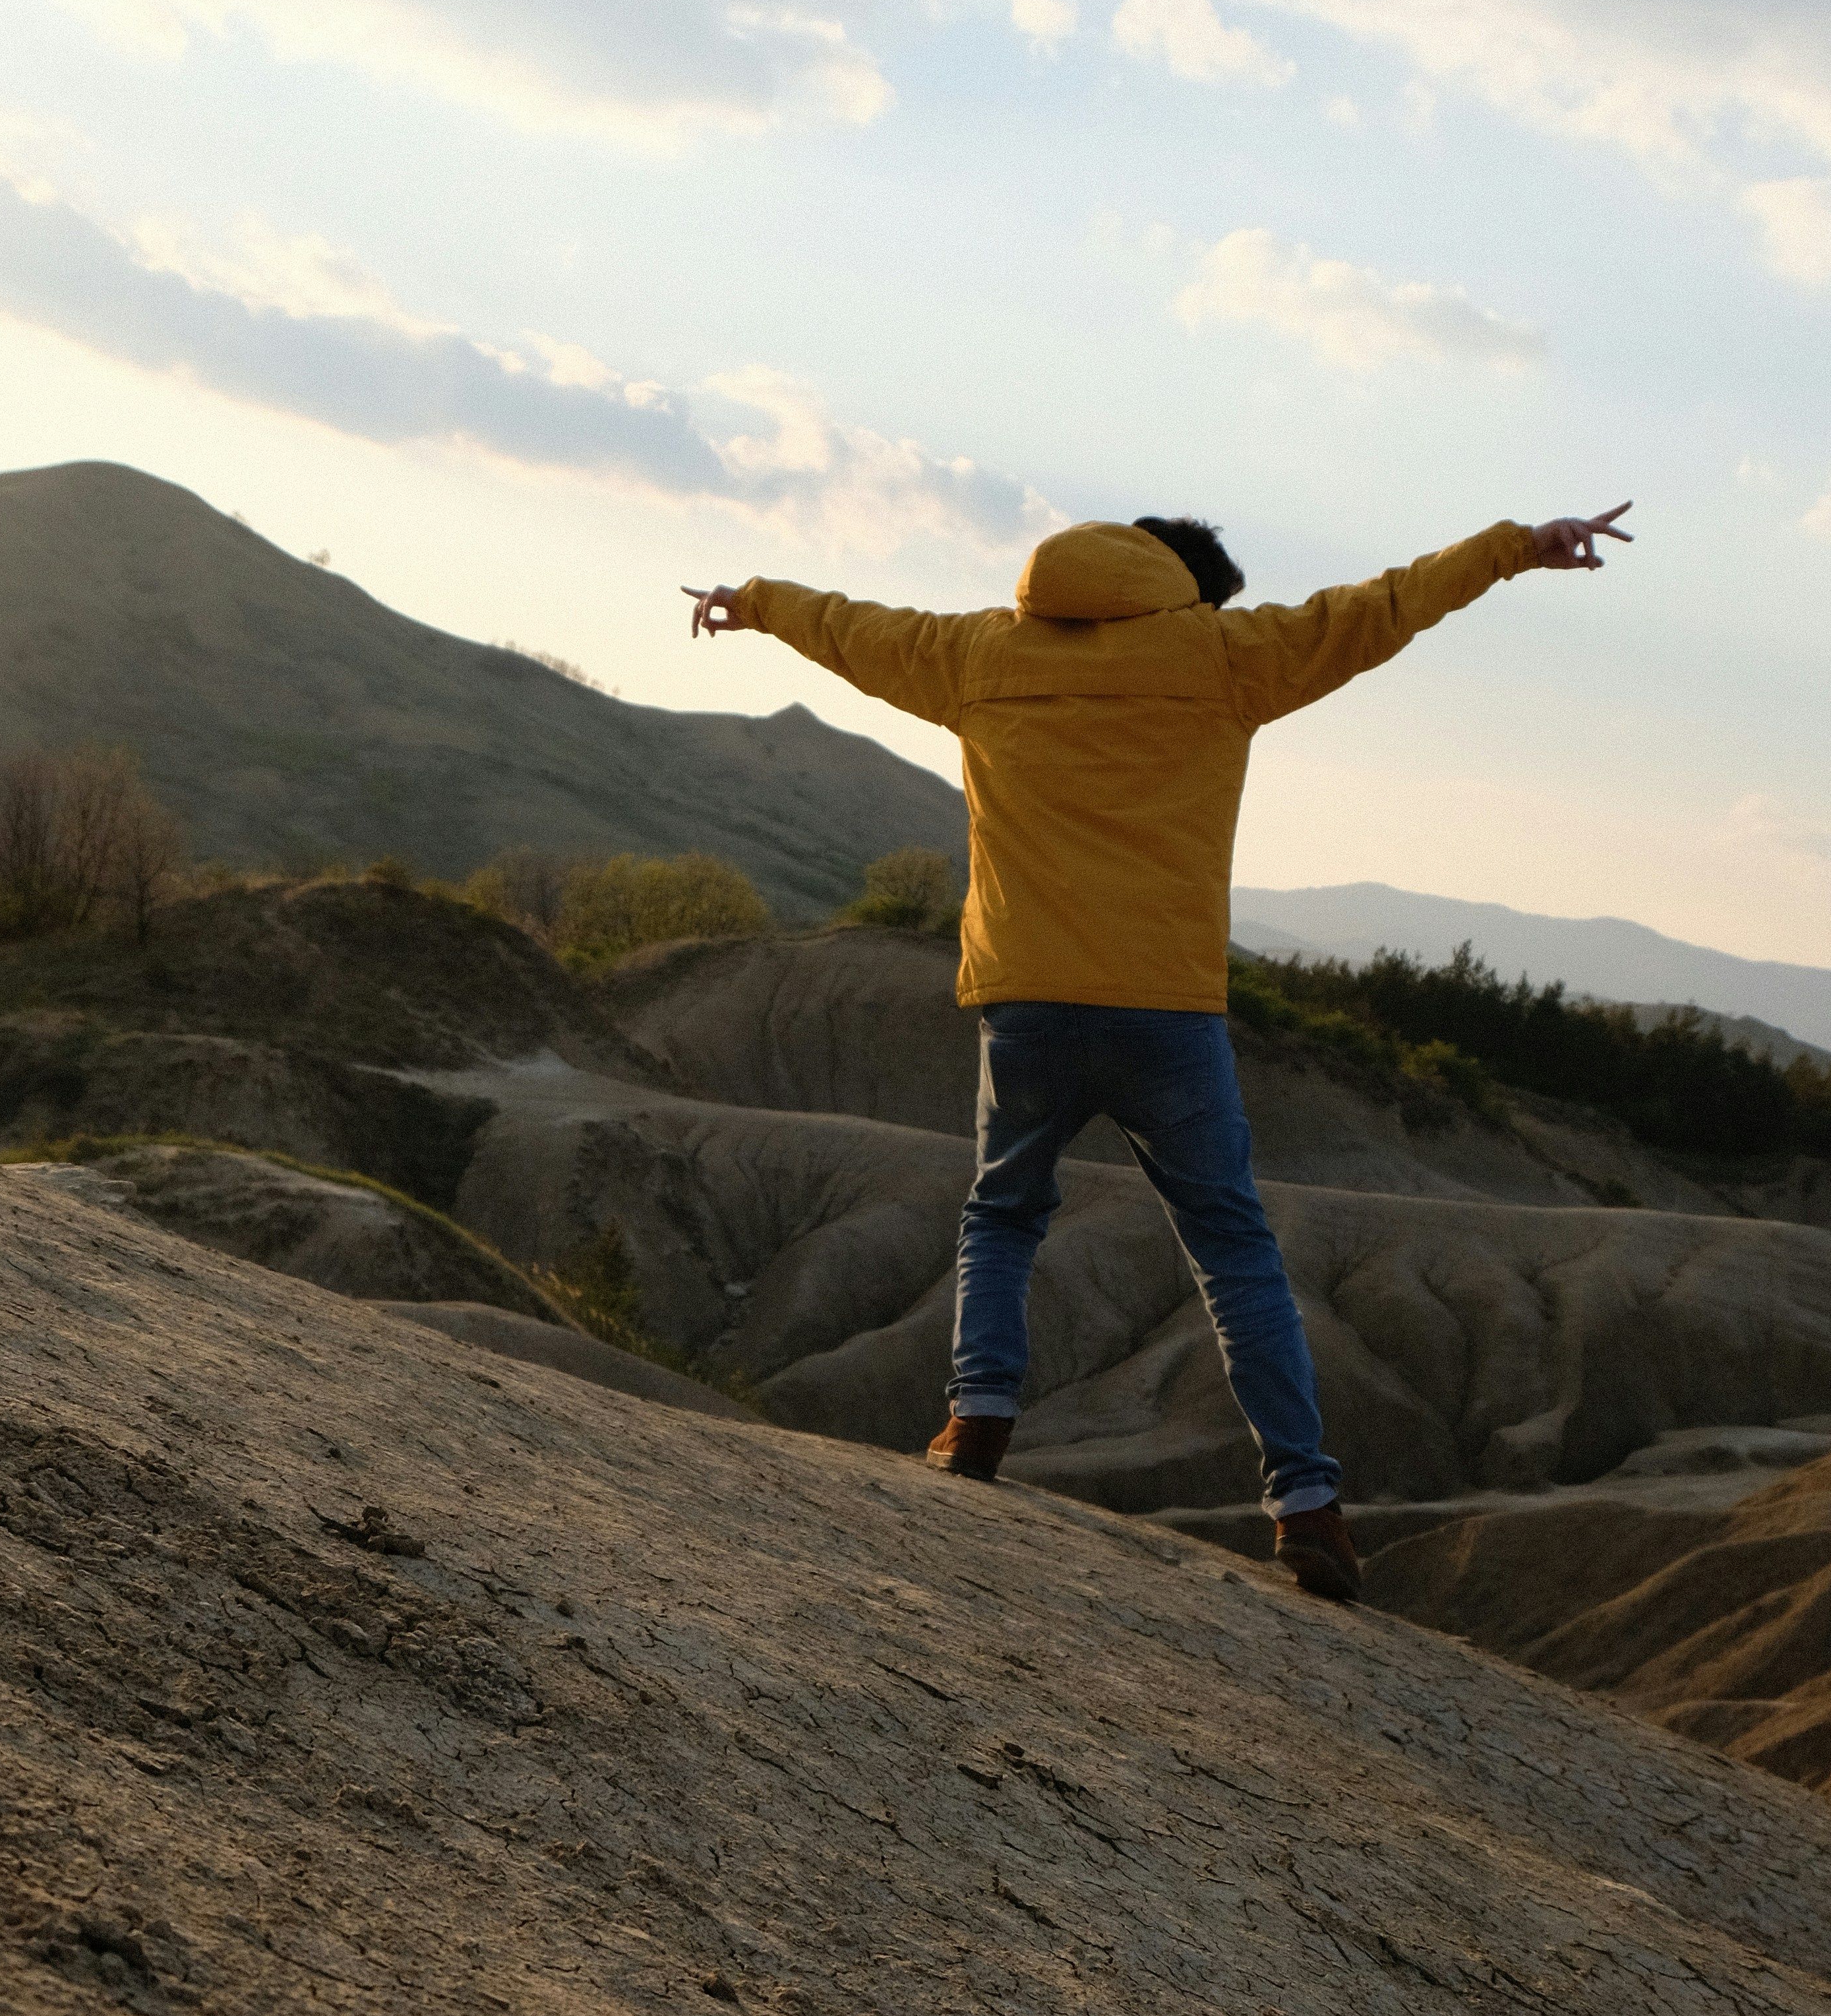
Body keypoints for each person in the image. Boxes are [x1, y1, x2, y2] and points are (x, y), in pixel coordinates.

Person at [684, 499, 1633, 1601]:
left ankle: (978, 1419)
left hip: (1028, 998)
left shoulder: (976, 652)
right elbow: (1380, 608)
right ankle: (1306, 1503)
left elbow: (849, 624)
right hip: (1164, 1011)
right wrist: (1517, 547)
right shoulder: (1227, 654)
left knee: (1002, 1212)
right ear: (1189, 589)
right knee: (1233, 1254)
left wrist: (748, 603)